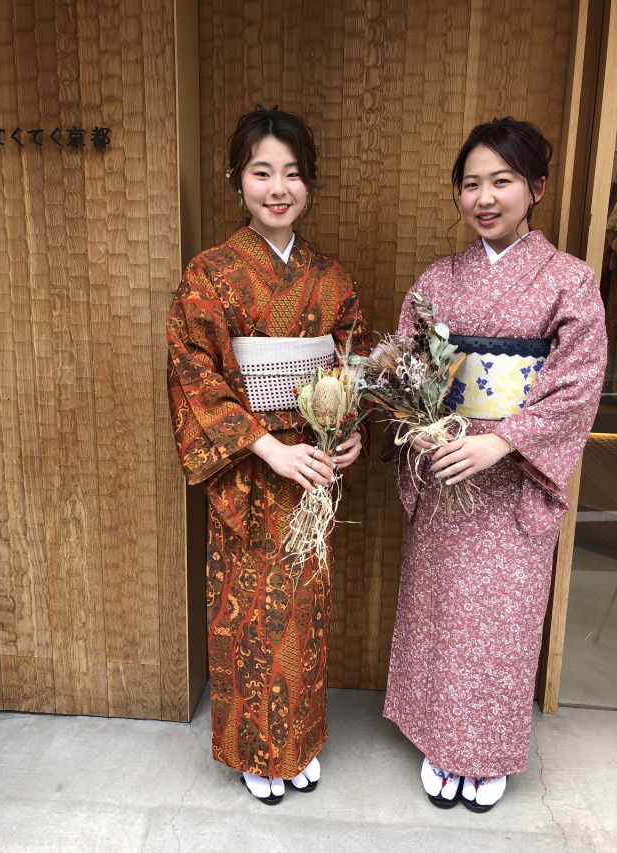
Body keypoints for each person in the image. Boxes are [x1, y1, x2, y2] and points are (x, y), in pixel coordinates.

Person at [383, 117, 607, 812]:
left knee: (500, 625)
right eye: (471, 183)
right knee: (441, 613)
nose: (484, 198)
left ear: (535, 188)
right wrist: (419, 424)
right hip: (447, 469)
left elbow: (577, 385)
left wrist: (503, 441)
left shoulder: (569, 281)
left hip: (513, 478)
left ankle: (484, 751)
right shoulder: (438, 279)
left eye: (501, 182)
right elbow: (405, 363)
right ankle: (439, 740)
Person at [167, 107, 369, 805]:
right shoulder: (210, 273)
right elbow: (194, 373)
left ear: (309, 182)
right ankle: (259, 750)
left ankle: (299, 741)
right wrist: (266, 448)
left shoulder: (331, 277)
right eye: (261, 172)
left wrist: (349, 428)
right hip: (251, 468)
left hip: (313, 465)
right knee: (250, 611)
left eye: (292, 173)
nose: (278, 188)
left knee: (305, 609)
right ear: (237, 180)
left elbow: (351, 361)